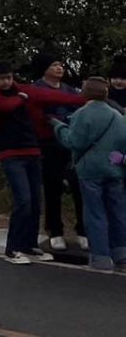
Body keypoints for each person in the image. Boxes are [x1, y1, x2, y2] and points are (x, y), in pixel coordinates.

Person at [0, 61, 58, 263]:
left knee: (35, 201)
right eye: (2, 78)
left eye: (9, 77)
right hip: (10, 153)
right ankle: (13, 248)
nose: (6, 82)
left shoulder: (21, 90)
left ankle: (29, 245)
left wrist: (86, 97)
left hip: (31, 149)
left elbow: (51, 96)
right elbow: (3, 106)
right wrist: (20, 98)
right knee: (23, 200)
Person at [53, 77, 126, 272]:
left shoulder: (82, 114)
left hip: (90, 170)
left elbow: (73, 142)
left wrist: (58, 127)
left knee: (95, 214)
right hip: (115, 169)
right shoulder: (117, 115)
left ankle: (100, 259)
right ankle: (122, 256)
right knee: (118, 213)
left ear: (85, 93)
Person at [29, 53, 87, 251]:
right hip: (48, 144)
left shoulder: (69, 89)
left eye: (61, 65)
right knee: (52, 189)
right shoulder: (36, 89)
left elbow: (79, 110)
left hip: (71, 144)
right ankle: (55, 231)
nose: (59, 68)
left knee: (79, 187)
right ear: (44, 68)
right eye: (54, 65)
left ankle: (83, 231)